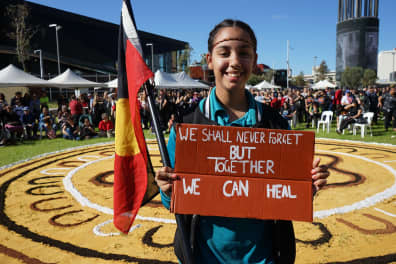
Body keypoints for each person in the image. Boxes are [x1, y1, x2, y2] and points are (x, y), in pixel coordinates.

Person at [155, 19, 329, 264]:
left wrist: (304, 190)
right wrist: (167, 190)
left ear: (254, 59)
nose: (235, 61)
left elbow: (284, 197)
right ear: (209, 60)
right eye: (224, 52)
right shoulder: (186, 127)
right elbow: (175, 201)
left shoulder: (276, 125)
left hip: (266, 259)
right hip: (203, 258)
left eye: (244, 53)